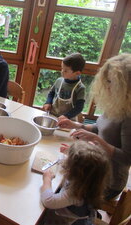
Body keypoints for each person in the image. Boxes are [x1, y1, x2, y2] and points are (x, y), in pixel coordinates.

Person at [57, 53, 131, 200]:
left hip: (107, 181)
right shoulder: (116, 104)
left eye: (111, 82)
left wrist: (99, 141)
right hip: (94, 167)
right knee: (60, 175)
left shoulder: (128, 117)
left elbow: (127, 158)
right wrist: (75, 125)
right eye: (106, 80)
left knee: (60, 187)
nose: (106, 86)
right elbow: (98, 128)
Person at [40, 141, 111, 225]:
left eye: (68, 160)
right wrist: (70, 152)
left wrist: (47, 180)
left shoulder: (76, 194)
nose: (65, 160)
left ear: (75, 171)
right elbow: (82, 163)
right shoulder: (88, 180)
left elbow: (49, 201)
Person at [42, 53, 86, 119]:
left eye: (65, 71)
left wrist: (66, 116)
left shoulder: (80, 88)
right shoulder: (59, 81)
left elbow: (79, 108)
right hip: (52, 115)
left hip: (68, 120)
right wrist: (48, 102)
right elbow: (51, 93)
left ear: (77, 73)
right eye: (62, 68)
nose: (62, 72)